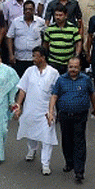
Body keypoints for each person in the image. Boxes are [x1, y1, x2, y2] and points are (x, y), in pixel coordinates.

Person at [48, 56, 95, 183]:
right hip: (64, 115)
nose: (73, 69)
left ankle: (79, 170)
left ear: (80, 67)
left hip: (80, 115)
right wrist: (51, 111)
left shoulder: (86, 80)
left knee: (79, 141)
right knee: (67, 140)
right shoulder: (61, 80)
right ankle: (69, 162)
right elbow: (54, 95)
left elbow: (92, 94)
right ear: (67, 67)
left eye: (76, 67)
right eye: (71, 67)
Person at [13, 46, 59, 176]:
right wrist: (18, 106)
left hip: (46, 110)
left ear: (43, 58)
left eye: (36, 56)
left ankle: (45, 164)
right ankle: (32, 150)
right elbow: (23, 89)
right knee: (30, 130)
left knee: (47, 137)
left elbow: (55, 94)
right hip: (30, 108)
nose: (33, 59)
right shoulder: (29, 71)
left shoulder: (53, 73)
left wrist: (51, 111)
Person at [7, 0, 44, 76]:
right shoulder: (16, 22)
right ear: (23, 10)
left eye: (30, 9)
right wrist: (11, 54)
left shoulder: (40, 22)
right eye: (26, 9)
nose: (28, 11)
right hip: (19, 58)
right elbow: (9, 37)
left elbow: (46, 38)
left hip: (34, 59)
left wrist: (42, 54)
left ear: (34, 10)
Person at [43, 5, 81, 75]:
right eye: (56, 15)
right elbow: (45, 44)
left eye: (60, 15)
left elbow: (78, 43)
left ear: (66, 15)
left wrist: (77, 56)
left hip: (68, 63)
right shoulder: (50, 29)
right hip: (53, 62)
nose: (58, 17)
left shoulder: (73, 28)